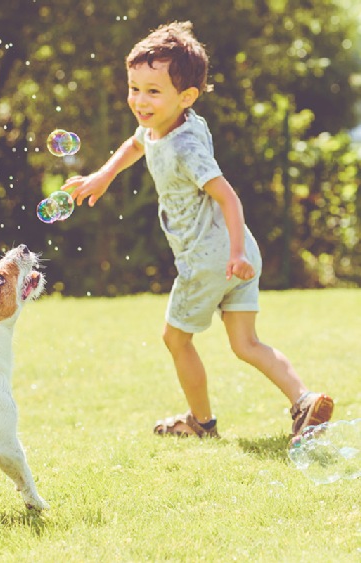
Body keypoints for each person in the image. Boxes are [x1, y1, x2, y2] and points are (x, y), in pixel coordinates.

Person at [61, 21, 333, 438]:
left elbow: (229, 197)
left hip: (212, 258)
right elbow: (137, 142)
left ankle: (201, 422)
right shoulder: (168, 124)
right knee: (246, 344)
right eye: (134, 87)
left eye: (153, 91)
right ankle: (303, 400)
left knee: (175, 339)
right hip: (235, 253)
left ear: (185, 96)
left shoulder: (185, 147)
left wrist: (235, 254)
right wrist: (103, 175)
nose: (140, 100)